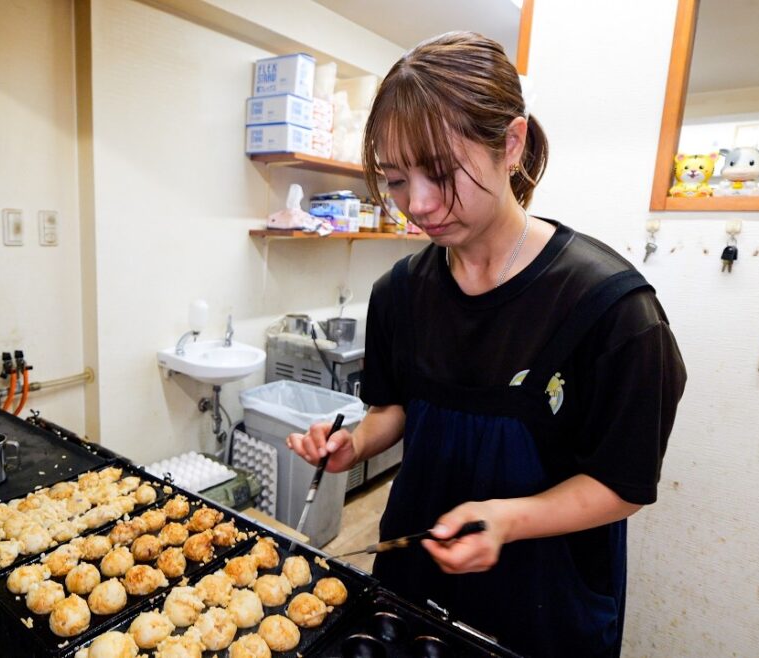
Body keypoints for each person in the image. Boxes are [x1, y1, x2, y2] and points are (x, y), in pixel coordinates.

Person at [286, 32, 686, 658]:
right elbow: (393, 411)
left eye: (441, 174)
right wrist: (353, 443)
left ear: (512, 144)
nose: (417, 205)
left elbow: (624, 484)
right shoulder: (399, 292)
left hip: (545, 605)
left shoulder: (611, 311)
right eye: (395, 181)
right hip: (410, 587)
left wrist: (508, 519)